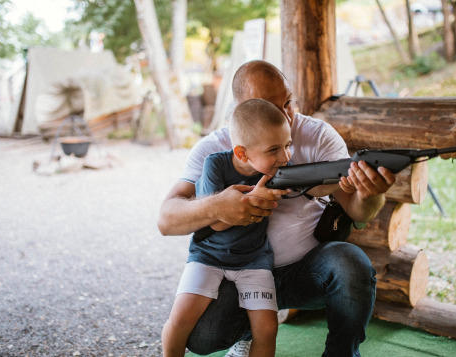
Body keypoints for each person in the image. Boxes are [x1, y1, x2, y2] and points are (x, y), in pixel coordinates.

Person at [158, 60, 396, 357]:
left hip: (307, 270)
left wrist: (370, 193)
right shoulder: (213, 151)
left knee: (350, 264)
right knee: (201, 336)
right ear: (240, 111)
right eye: (268, 106)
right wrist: (220, 205)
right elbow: (167, 220)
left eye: (287, 102)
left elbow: (360, 212)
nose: (284, 116)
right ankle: (245, 332)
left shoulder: (319, 135)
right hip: (237, 271)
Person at [161, 98, 292, 357]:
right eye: (274, 149)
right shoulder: (215, 165)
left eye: (288, 146)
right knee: (181, 317)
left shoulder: (277, 171)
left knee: (267, 329)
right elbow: (217, 223)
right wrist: (254, 197)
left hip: (254, 260)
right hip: (208, 256)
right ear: (243, 153)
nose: (285, 157)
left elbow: (315, 184)